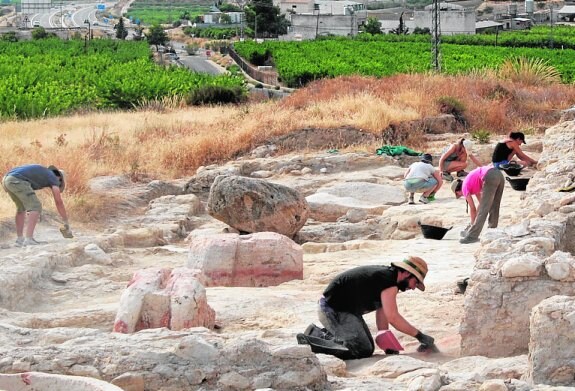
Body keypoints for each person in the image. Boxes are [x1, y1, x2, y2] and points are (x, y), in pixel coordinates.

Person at [296, 257, 436, 360]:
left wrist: (388, 343)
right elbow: (393, 317)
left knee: (367, 346)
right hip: (332, 309)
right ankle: (312, 340)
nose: (413, 287)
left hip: (346, 311)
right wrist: (420, 336)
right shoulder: (388, 281)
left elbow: (384, 314)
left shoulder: (389, 280)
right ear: (406, 273)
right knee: (360, 350)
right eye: (415, 282)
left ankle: (318, 333)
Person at [2, 164, 71, 246]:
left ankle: (20, 239)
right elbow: (58, 202)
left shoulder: (44, 172)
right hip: (17, 181)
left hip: (7, 180)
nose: (57, 184)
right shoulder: (53, 177)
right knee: (35, 206)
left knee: (21, 208)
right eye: (59, 183)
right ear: (59, 178)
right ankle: (29, 239)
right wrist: (65, 220)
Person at [451, 164, 505, 244]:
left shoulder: (464, 187)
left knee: (485, 209)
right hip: (499, 174)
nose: (461, 195)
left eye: (459, 195)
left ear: (457, 191)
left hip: (489, 176)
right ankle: (492, 231)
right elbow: (482, 203)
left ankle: (472, 236)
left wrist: (472, 224)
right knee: (494, 206)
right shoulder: (471, 183)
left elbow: (473, 208)